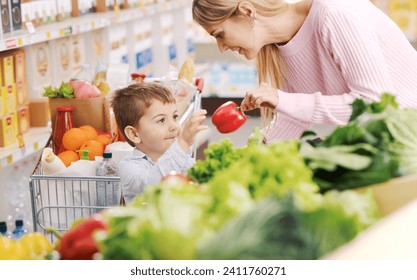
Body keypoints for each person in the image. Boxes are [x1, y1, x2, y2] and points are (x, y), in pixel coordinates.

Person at [192, 0, 417, 142]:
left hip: (408, 137)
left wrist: (283, 99)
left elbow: (377, 104)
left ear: (246, 11)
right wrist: (258, 152)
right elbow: (295, 117)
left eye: (219, 34)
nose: (221, 48)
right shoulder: (280, 47)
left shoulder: (334, 13)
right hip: (389, 140)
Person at [110, 82, 208, 204]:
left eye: (175, 117)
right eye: (161, 120)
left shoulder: (184, 162)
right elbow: (154, 182)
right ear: (134, 134)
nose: (173, 126)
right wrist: (182, 143)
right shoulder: (130, 168)